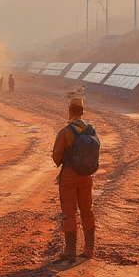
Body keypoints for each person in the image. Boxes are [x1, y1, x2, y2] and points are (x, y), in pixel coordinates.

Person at [51, 97, 96, 261]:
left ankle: (70, 251)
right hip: (86, 176)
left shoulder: (66, 131)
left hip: (69, 176)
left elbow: (56, 156)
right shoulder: (90, 130)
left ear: (70, 111)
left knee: (69, 213)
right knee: (87, 211)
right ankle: (89, 249)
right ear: (82, 112)